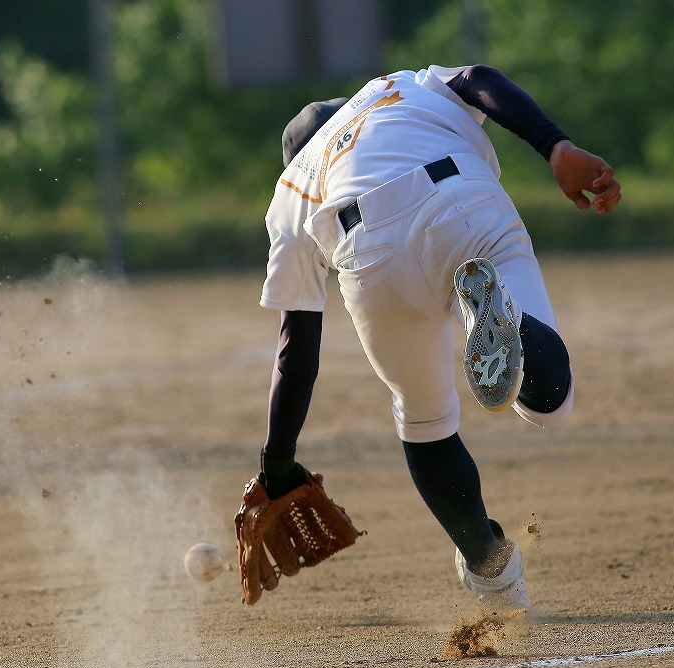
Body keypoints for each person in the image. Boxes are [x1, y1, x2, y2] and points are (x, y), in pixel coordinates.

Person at [251, 63, 621, 613]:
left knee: (424, 421)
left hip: (368, 255)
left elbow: (296, 353)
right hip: (458, 200)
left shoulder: (291, 187)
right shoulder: (391, 89)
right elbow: (477, 78)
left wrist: (277, 464)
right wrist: (556, 147)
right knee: (550, 407)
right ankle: (500, 321)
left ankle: (491, 569)